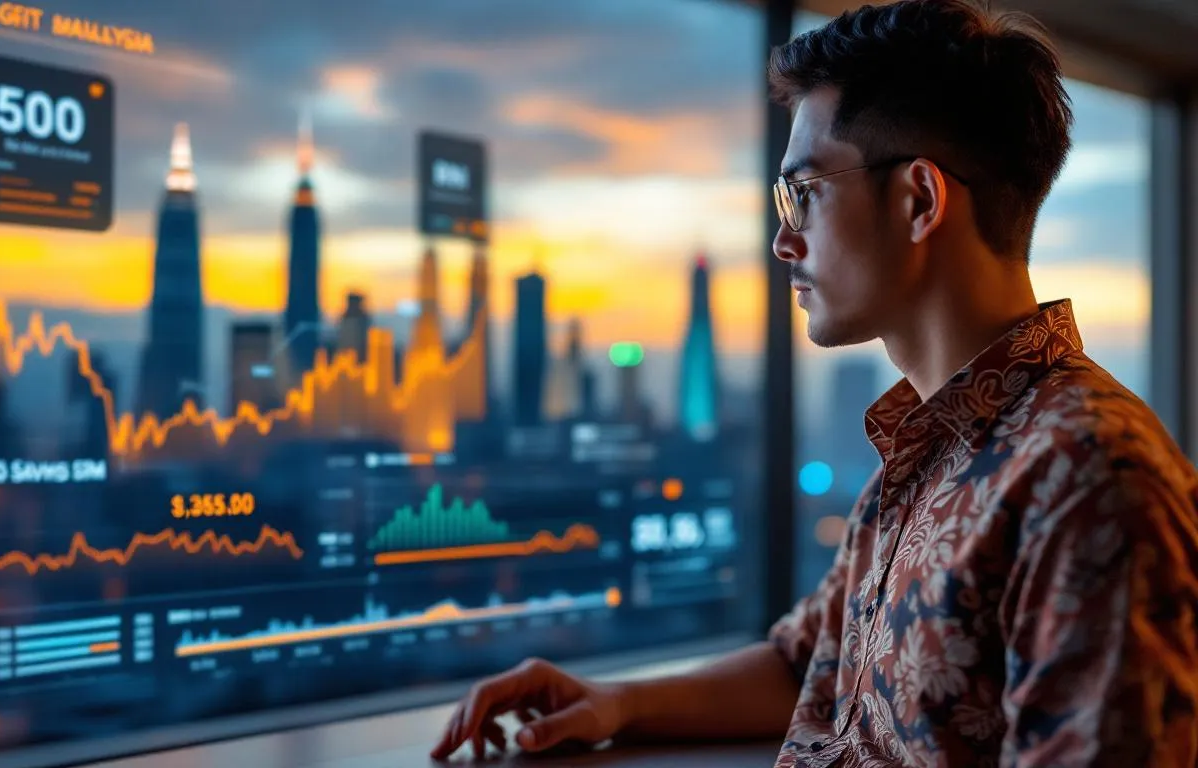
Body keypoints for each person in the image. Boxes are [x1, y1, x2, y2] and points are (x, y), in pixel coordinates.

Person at [431, 0, 1198, 765]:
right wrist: (617, 702)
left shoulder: (1092, 477)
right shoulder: (926, 443)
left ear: (919, 200)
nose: (782, 239)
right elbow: (810, 664)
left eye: (806, 191)